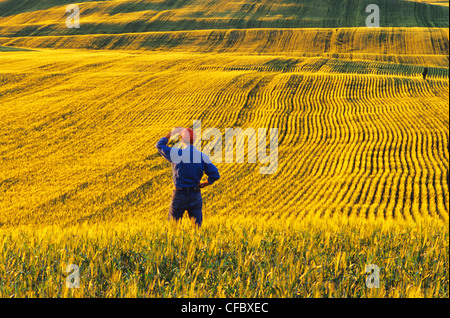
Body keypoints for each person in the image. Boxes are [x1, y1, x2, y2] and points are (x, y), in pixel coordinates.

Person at [155, 127, 220, 226]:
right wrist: (204, 184)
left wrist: (171, 133)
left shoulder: (176, 154)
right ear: (195, 140)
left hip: (179, 194)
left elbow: (159, 145)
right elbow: (215, 175)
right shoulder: (202, 156)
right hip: (195, 194)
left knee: (173, 228)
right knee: (197, 229)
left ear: (181, 139)